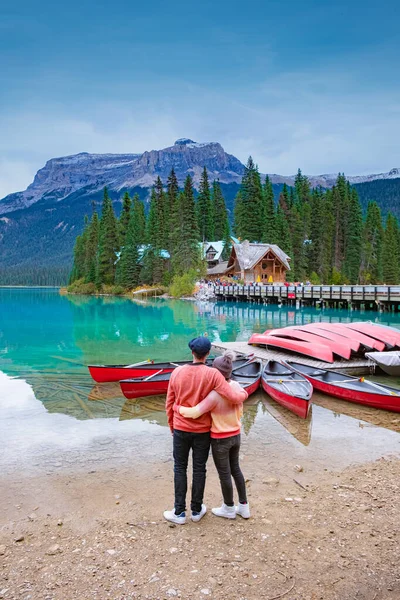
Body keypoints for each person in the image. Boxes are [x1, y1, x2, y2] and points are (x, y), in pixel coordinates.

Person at [164, 337, 248, 525]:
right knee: (199, 468)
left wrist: (172, 424)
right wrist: (244, 393)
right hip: (202, 431)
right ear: (208, 354)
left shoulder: (177, 372)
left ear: (192, 352)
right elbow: (232, 396)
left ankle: (178, 512)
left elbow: (169, 403)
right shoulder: (213, 374)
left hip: (180, 428)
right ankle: (196, 510)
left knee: (179, 467)